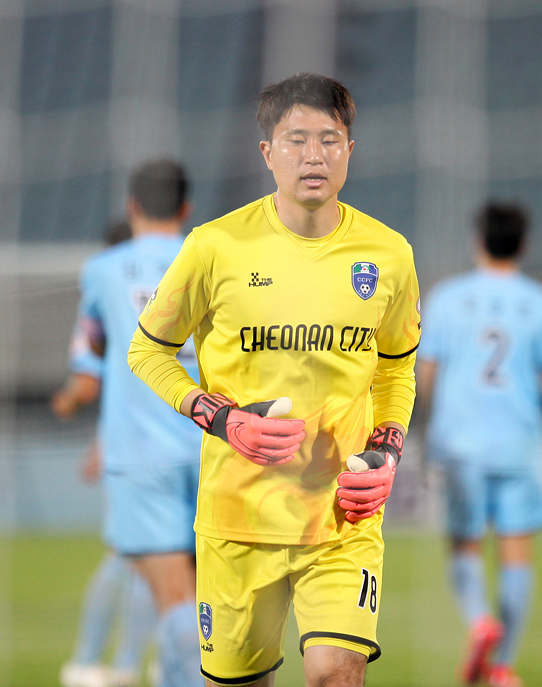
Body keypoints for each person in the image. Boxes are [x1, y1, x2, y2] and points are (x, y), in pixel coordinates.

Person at [129, 73, 422, 687]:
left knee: (335, 674)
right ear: (267, 153)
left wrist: (388, 448)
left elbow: (396, 366)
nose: (314, 155)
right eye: (296, 139)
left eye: (330, 139)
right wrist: (220, 418)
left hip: (341, 518)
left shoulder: (389, 253)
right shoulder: (214, 247)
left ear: (350, 149)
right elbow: (147, 350)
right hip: (237, 521)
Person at [415, 203, 542, 687]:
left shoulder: (447, 298)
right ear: (524, 244)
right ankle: (503, 665)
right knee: (516, 551)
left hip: (460, 443)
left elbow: (426, 372)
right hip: (519, 443)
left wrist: (424, 433)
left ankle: (479, 621)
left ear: (478, 241)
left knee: (463, 543)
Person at [77, 161, 205, 687]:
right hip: (215, 446)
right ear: (186, 208)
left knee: (174, 599)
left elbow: (88, 363)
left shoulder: (103, 270)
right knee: (209, 601)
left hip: (144, 456)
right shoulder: (213, 259)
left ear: (132, 206)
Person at [53, 218, 158, 687]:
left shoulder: (106, 295)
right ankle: (129, 663)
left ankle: (95, 660)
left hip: (129, 445)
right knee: (159, 560)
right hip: (182, 439)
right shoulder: (173, 288)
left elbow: (89, 380)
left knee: (132, 557)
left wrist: (69, 401)